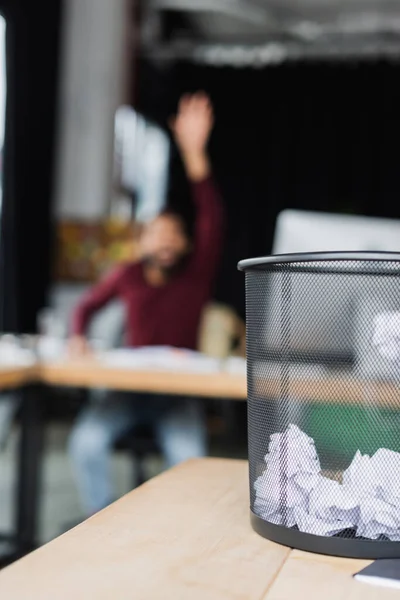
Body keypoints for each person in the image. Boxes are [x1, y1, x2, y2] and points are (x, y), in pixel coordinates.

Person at [68, 92, 224, 516]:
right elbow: (84, 307)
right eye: (158, 233)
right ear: (142, 241)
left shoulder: (197, 272)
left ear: (187, 243)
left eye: (175, 234)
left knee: (190, 460)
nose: (167, 240)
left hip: (178, 394)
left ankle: (175, 533)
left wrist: (195, 155)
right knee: (85, 444)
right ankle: (101, 522)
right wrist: (77, 337)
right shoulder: (129, 273)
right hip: (129, 390)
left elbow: (210, 215)